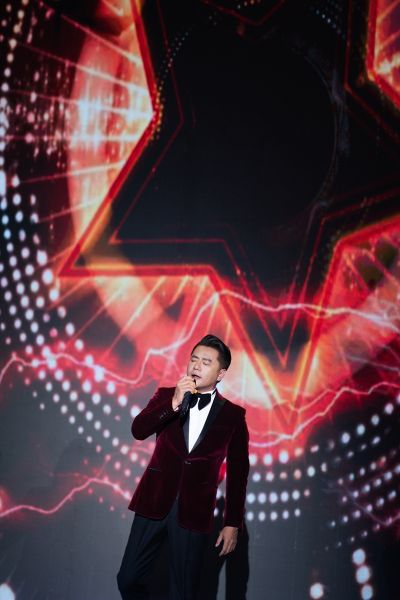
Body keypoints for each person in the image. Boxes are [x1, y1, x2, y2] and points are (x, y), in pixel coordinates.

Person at [117, 333, 249, 600]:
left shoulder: (233, 415)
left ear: (221, 373)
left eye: (206, 362)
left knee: (184, 591)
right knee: (128, 578)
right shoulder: (166, 395)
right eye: (194, 359)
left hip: (194, 510)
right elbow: (138, 430)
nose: (197, 366)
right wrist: (174, 403)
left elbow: (238, 472)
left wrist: (232, 523)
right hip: (154, 501)